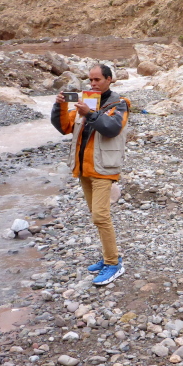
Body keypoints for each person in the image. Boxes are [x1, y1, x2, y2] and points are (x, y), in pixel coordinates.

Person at [51, 64, 130, 286]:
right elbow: (64, 127)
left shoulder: (119, 103)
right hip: (84, 168)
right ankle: (108, 257)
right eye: (90, 80)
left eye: (97, 79)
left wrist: (91, 114)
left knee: (100, 217)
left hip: (104, 168)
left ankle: (114, 264)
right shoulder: (86, 101)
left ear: (109, 80)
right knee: (96, 214)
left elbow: (112, 128)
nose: (93, 83)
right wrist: (59, 107)